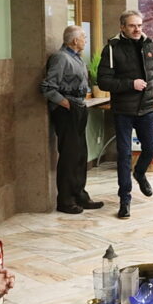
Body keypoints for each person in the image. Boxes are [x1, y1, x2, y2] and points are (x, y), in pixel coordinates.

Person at [98, 10, 153, 219]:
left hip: (147, 108)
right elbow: (103, 81)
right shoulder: (112, 49)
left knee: (149, 149)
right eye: (132, 25)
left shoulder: (150, 45)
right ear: (122, 27)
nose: (137, 29)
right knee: (123, 156)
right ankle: (125, 199)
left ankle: (139, 173)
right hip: (123, 110)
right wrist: (130, 84)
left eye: (139, 25)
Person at [39, 26, 104, 214]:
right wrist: (65, 104)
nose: (85, 39)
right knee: (69, 156)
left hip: (79, 108)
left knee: (80, 155)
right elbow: (47, 87)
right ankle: (65, 200)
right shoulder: (60, 58)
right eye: (83, 37)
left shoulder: (76, 58)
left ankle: (80, 195)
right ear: (74, 41)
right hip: (67, 111)